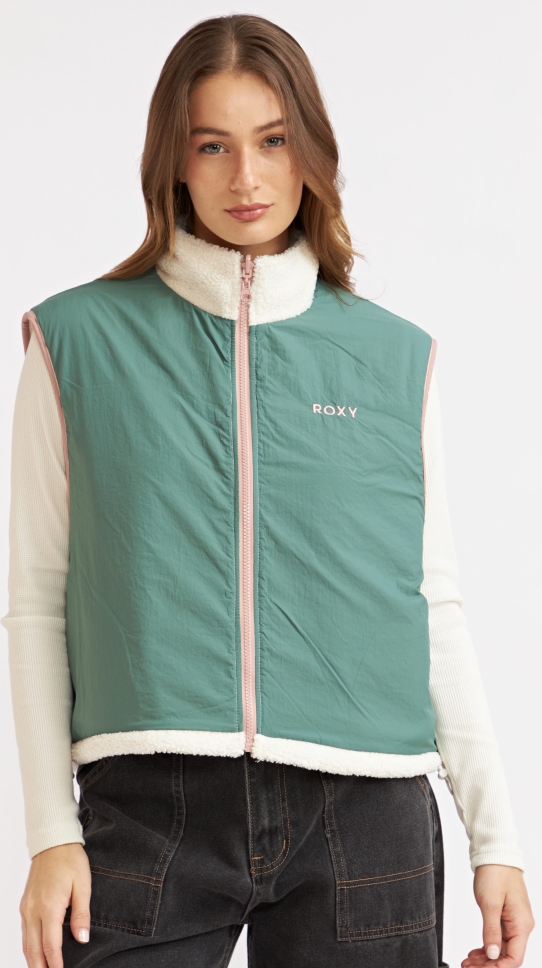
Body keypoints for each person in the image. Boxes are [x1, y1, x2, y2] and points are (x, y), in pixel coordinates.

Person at [1, 13, 534, 968]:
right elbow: (38, 600)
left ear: (312, 152)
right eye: (213, 145)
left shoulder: (392, 359)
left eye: (274, 141)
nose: (246, 177)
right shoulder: (77, 343)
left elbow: (432, 603)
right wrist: (50, 832)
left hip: (366, 816)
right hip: (150, 805)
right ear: (174, 160)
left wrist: (496, 841)